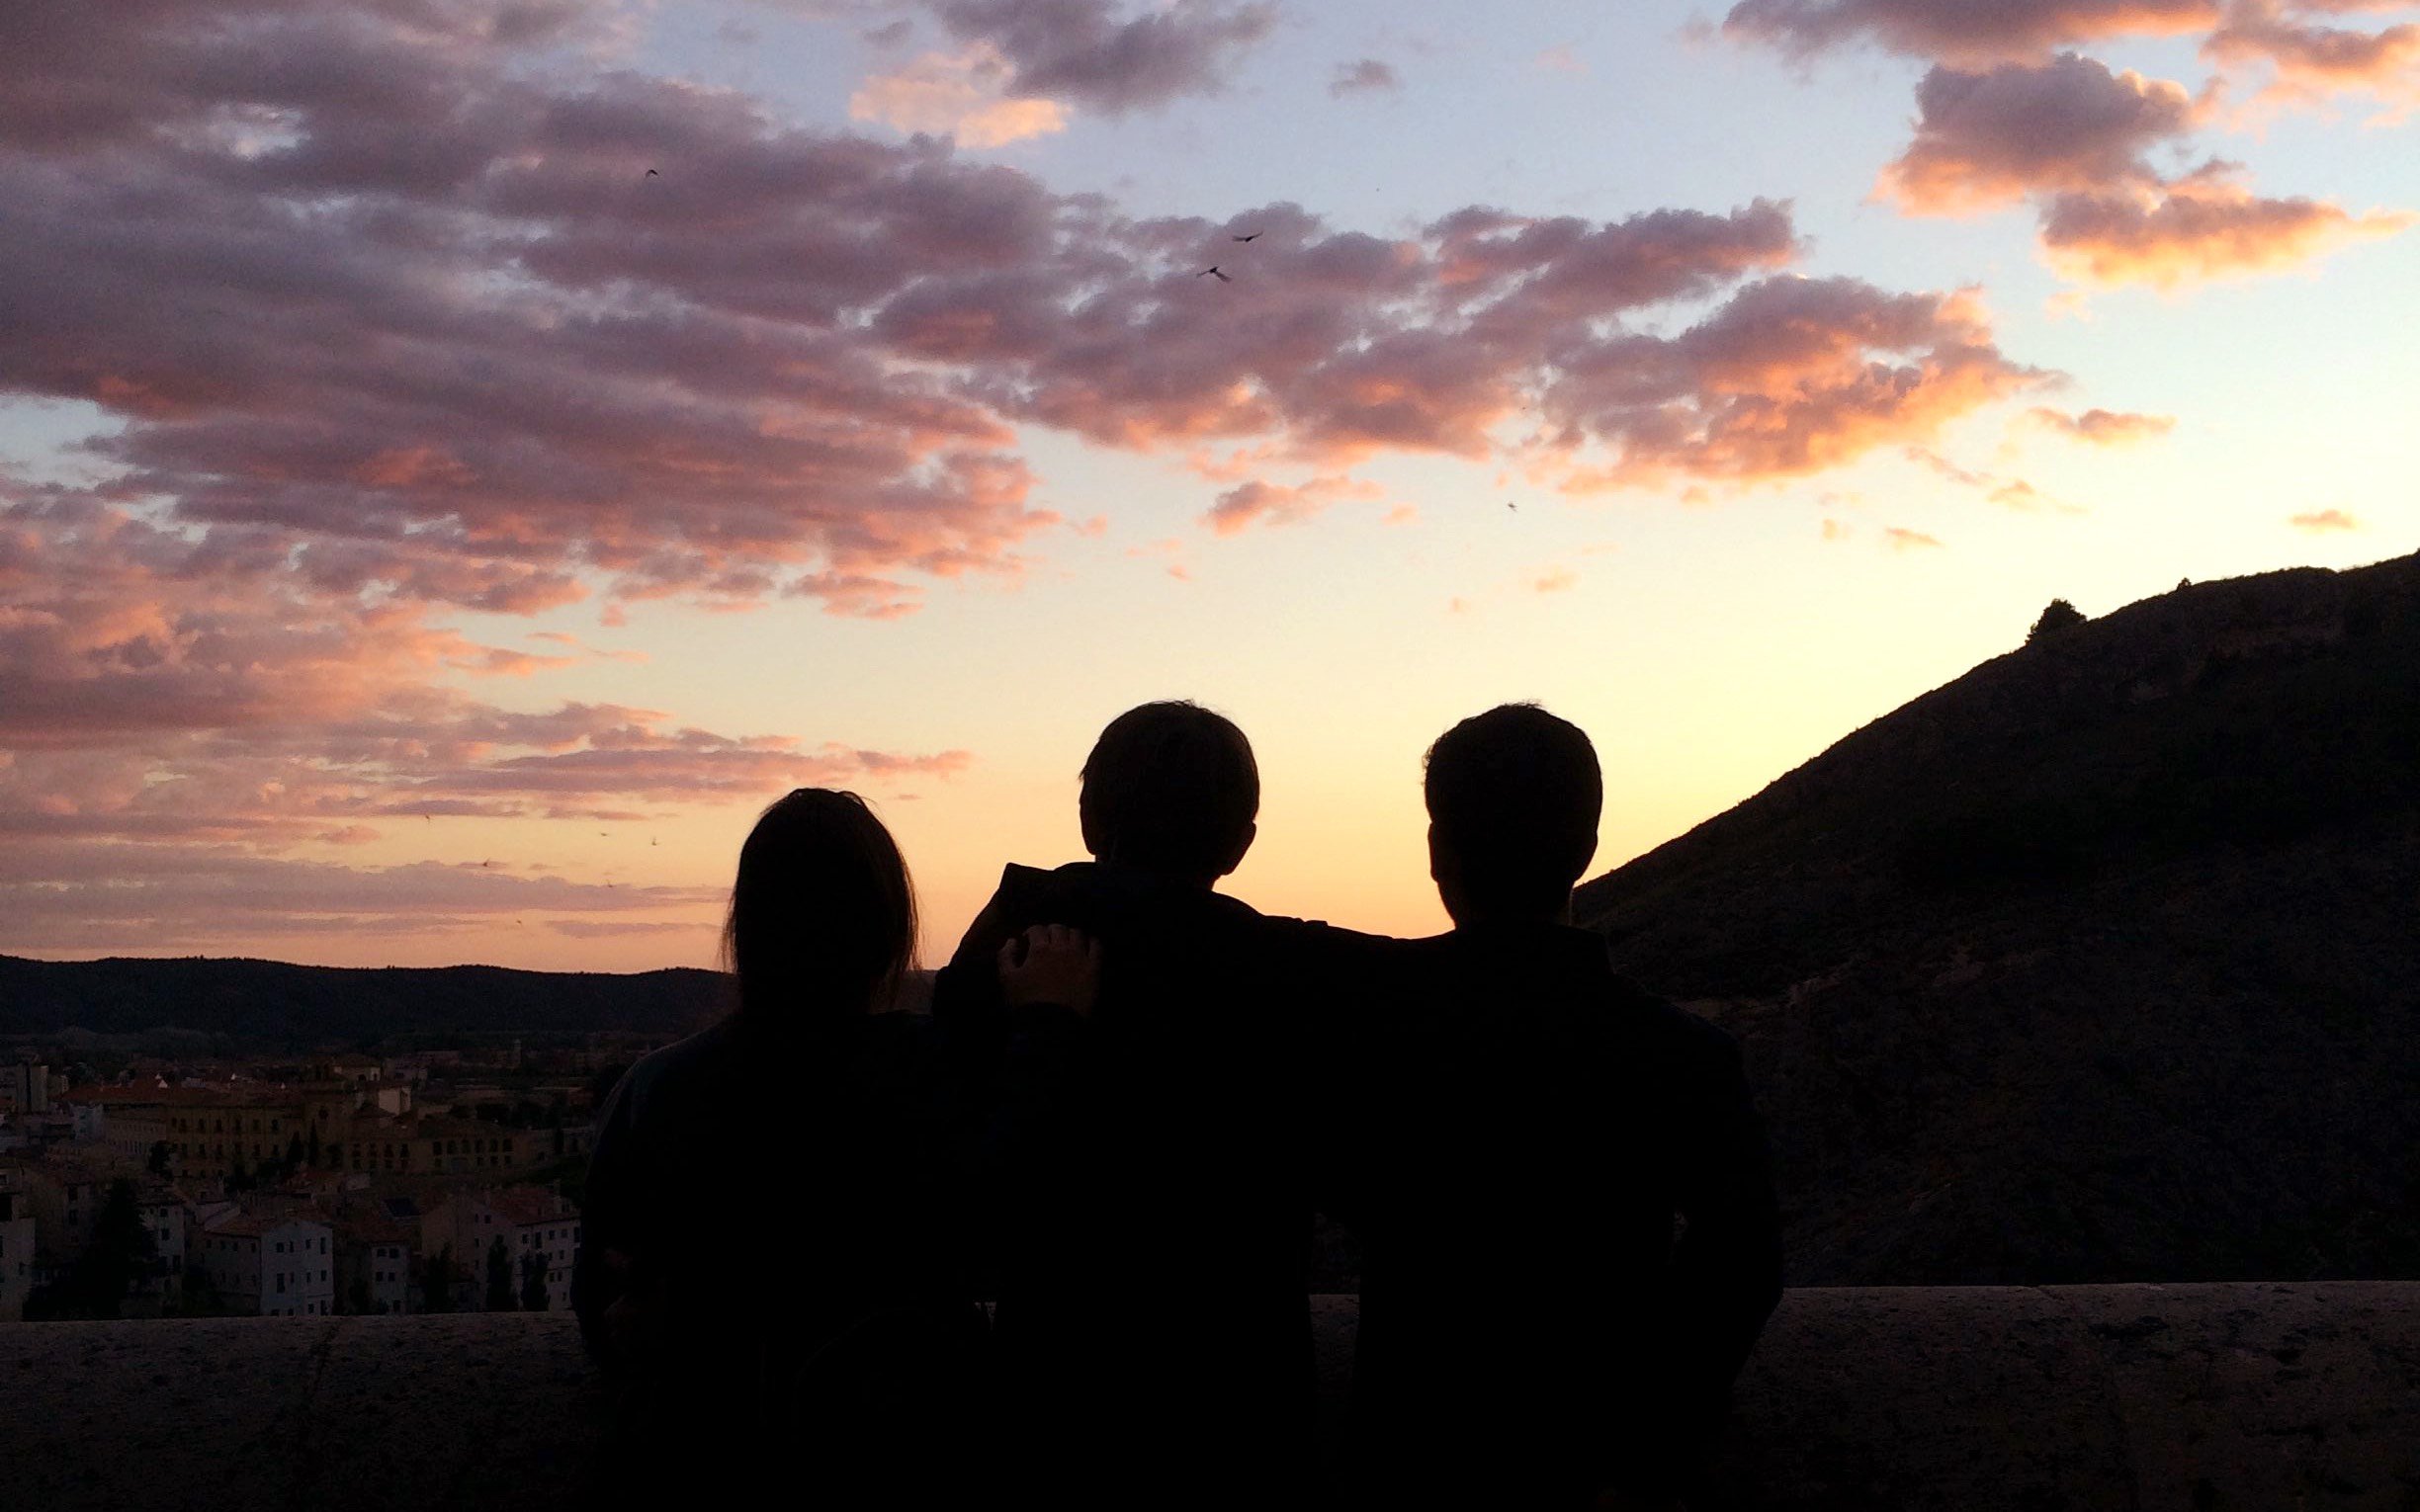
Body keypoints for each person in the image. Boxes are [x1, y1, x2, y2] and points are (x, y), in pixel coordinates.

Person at [573, 788, 1099, 1504]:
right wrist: (1049, 1022)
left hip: (713, 1457)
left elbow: (598, 1311)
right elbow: (1006, 1208)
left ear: (748, 928)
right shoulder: (932, 1070)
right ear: (887, 929)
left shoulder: (655, 1089)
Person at [1333, 705, 1783, 1510]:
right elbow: (1746, 1258)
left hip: (1409, 1462)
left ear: (1441, 852)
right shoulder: (1682, 1054)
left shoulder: (1368, 1031)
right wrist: (1643, 1426)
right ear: (1587, 849)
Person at [934, 701, 1361, 1509]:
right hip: (1245, 1415)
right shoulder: (1297, 971)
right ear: (1241, 839)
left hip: (1054, 1403)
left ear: (1091, 819)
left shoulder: (1014, 957)